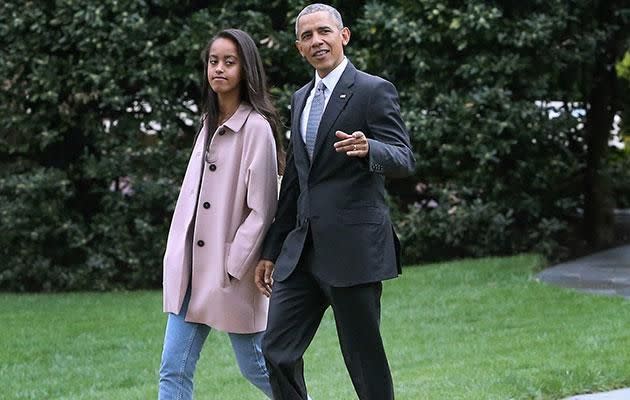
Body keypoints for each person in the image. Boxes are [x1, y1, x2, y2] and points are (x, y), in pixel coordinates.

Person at [254, 3, 415, 400]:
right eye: (307, 36)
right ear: (299, 48)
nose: (316, 41)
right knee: (276, 351)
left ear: (343, 36)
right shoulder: (300, 98)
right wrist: (271, 250)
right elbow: (294, 182)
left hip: (354, 253)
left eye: (324, 32)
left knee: (363, 360)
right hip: (302, 254)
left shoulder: (373, 90)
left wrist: (370, 147)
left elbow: (404, 158)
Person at [159, 28, 284, 400]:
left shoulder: (257, 129)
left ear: (246, 70)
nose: (219, 69)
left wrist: (232, 263)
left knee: (256, 366)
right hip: (191, 270)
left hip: (230, 271)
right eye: (214, 61)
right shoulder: (207, 124)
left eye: (230, 62)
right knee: (173, 368)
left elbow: (263, 209)